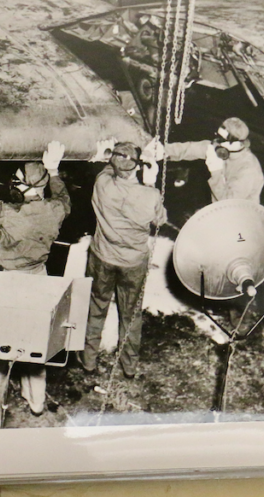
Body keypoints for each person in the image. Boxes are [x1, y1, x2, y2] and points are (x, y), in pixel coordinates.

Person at [0, 141, 70, 427]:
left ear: (20, 187)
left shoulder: (8, 214)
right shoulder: (56, 210)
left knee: (0, 350)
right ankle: (36, 401)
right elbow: (63, 196)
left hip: (9, 285)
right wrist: (54, 170)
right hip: (40, 279)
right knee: (37, 343)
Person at [82, 141, 167, 379]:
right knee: (131, 313)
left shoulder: (102, 185)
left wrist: (108, 155)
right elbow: (160, 220)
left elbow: (107, 171)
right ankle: (129, 366)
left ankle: (88, 362)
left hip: (102, 257)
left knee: (96, 307)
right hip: (133, 264)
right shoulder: (149, 195)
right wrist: (150, 181)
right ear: (138, 167)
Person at [148, 117, 264, 203]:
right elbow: (189, 148)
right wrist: (162, 150)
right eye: (216, 136)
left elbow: (228, 201)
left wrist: (216, 172)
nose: (216, 142)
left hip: (238, 216)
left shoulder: (248, 169)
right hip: (218, 207)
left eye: (221, 139)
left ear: (237, 143)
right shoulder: (220, 147)